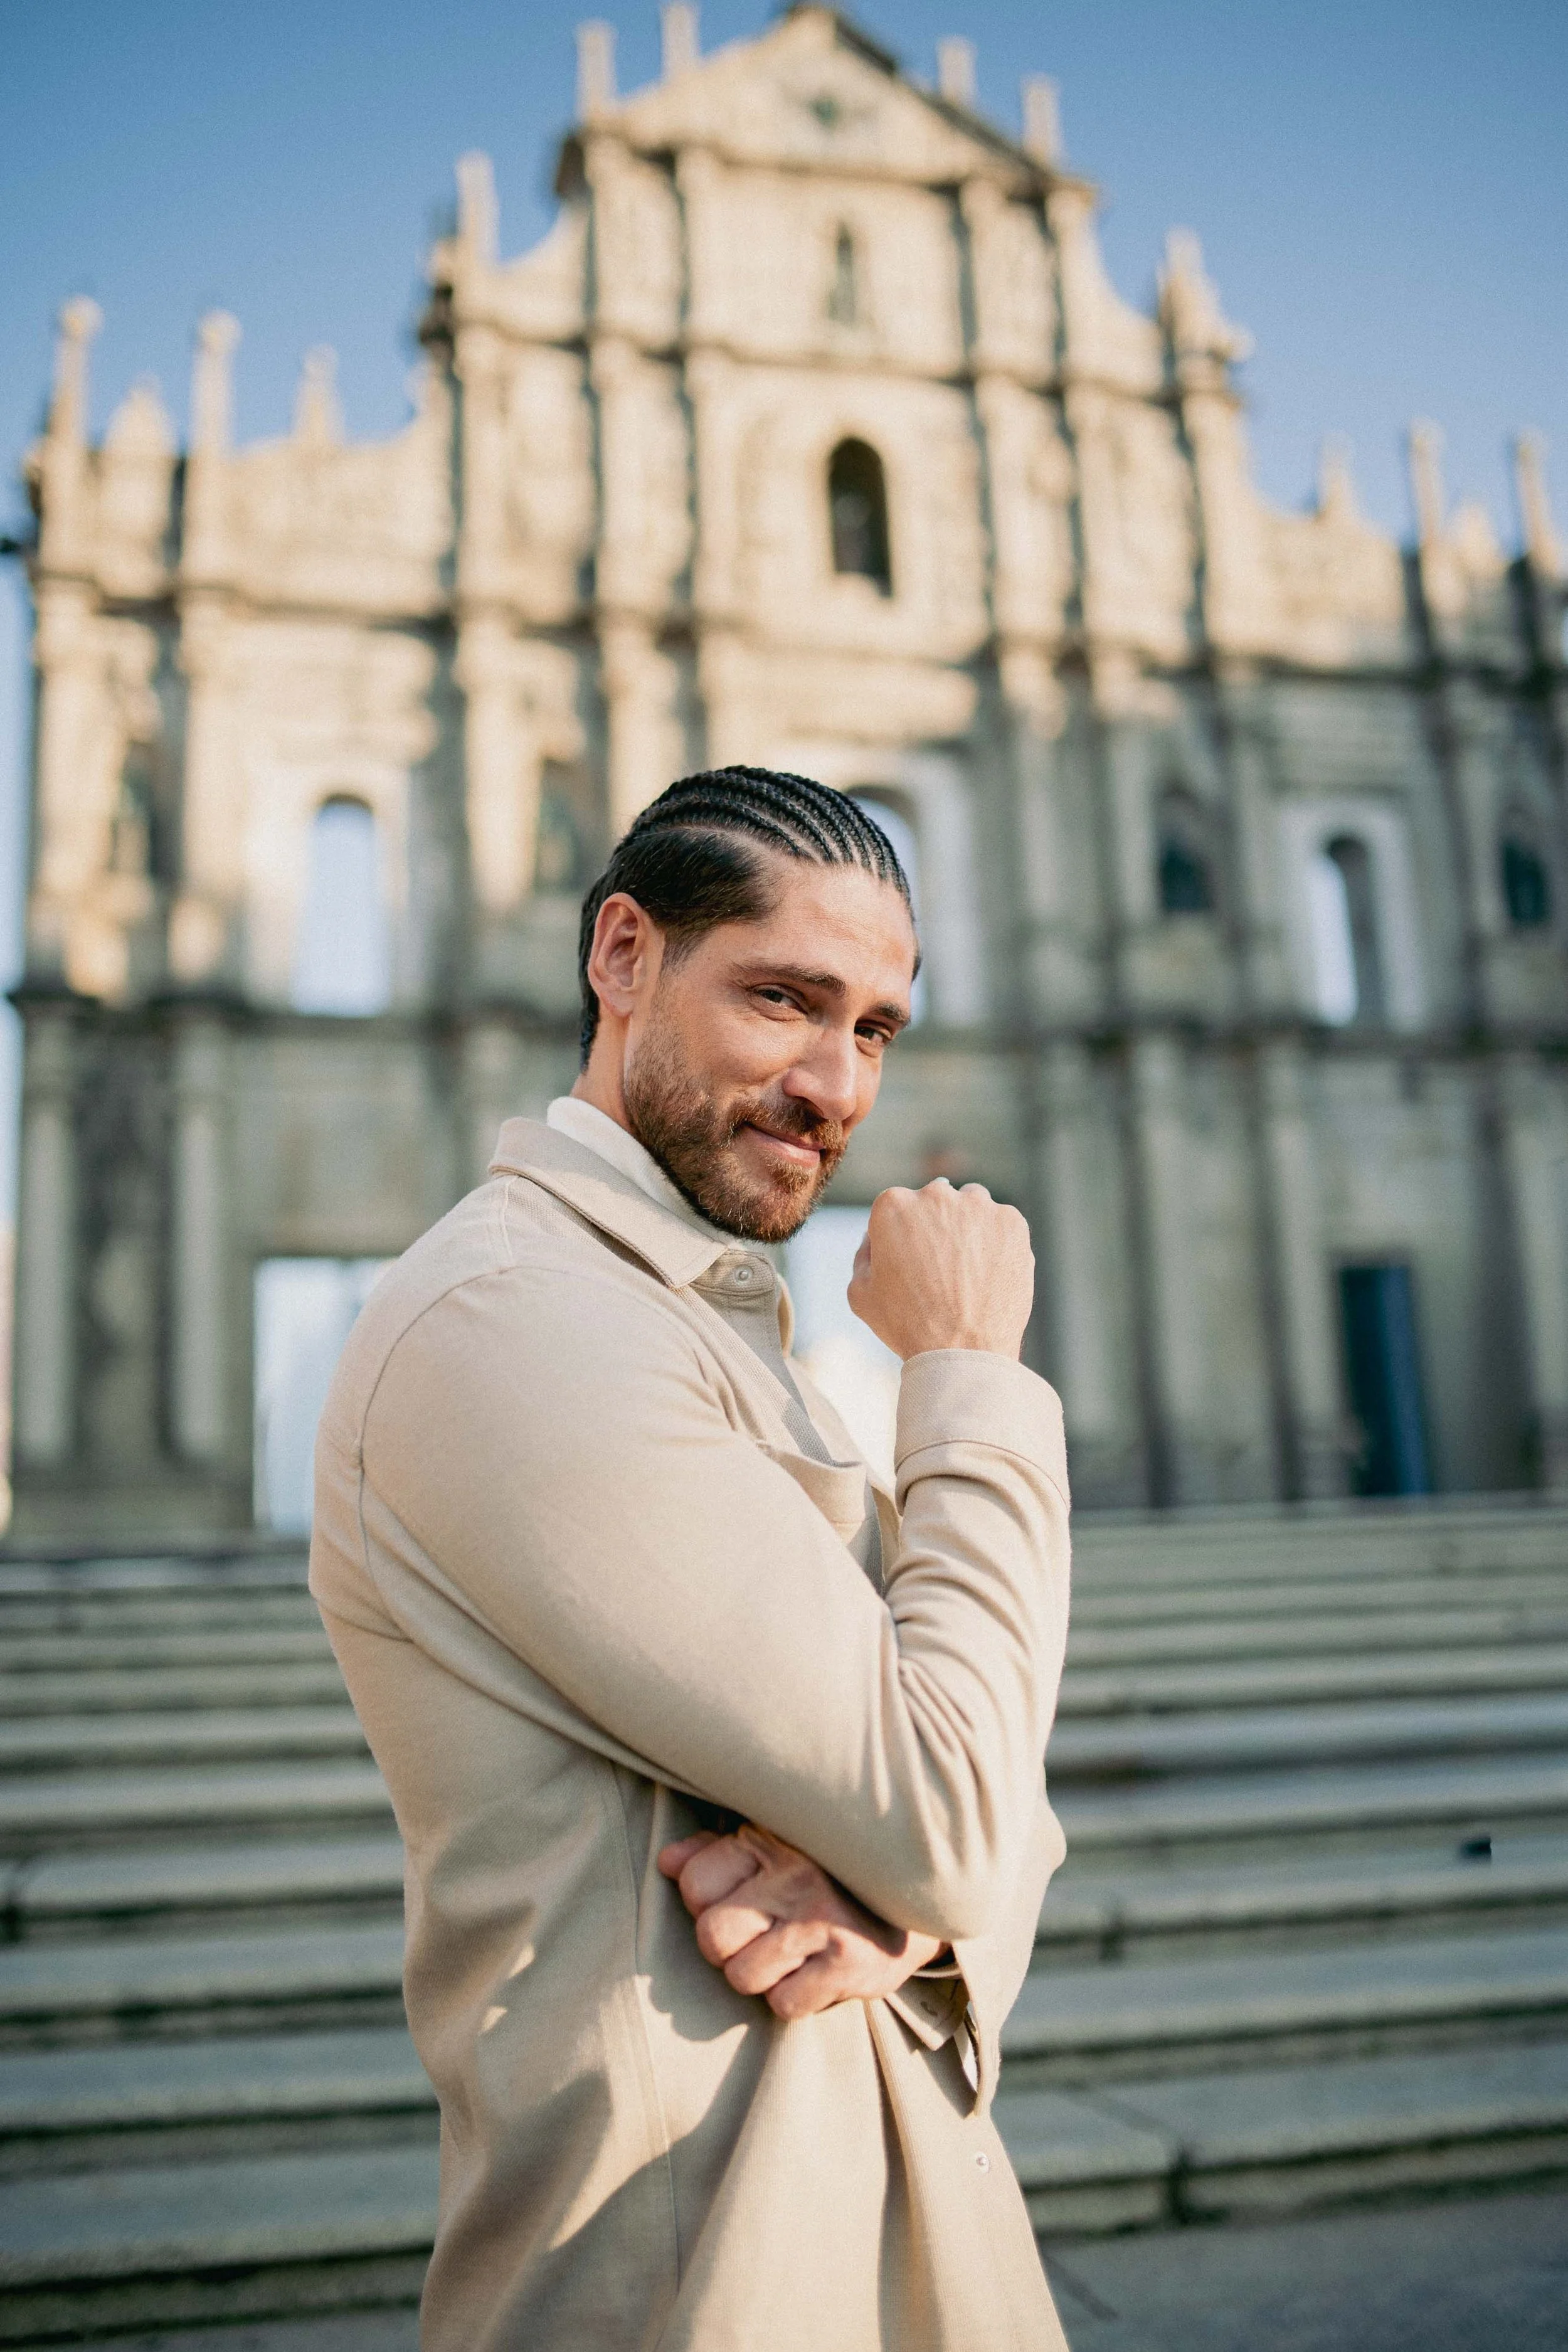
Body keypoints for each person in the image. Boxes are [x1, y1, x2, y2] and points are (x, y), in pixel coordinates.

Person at [310, 766, 1073, 2351]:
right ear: (621, 959)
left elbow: (988, 1815)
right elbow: (954, 1799)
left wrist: (907, 1914)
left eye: (872, 1028)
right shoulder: (514, 1321)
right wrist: (969, 1371)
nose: (834, 1084)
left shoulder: (707, 1330)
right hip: (686, 2285)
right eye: (782, 1000)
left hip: (887, 2246)